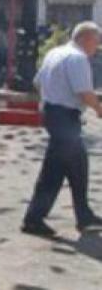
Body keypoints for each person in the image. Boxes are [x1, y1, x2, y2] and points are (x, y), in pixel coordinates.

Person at [22, 21, 102, 237]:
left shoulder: (55, 53)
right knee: (54, 172)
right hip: (64, 117)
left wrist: (52, 96)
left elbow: (37, 82)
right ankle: (33, 219)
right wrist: (98, 109)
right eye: (97, 41)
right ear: (85, 38)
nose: (98, 47)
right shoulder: (78, 58)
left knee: (77, 167)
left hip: (53, 113)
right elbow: (84, 92)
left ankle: (84, 215)